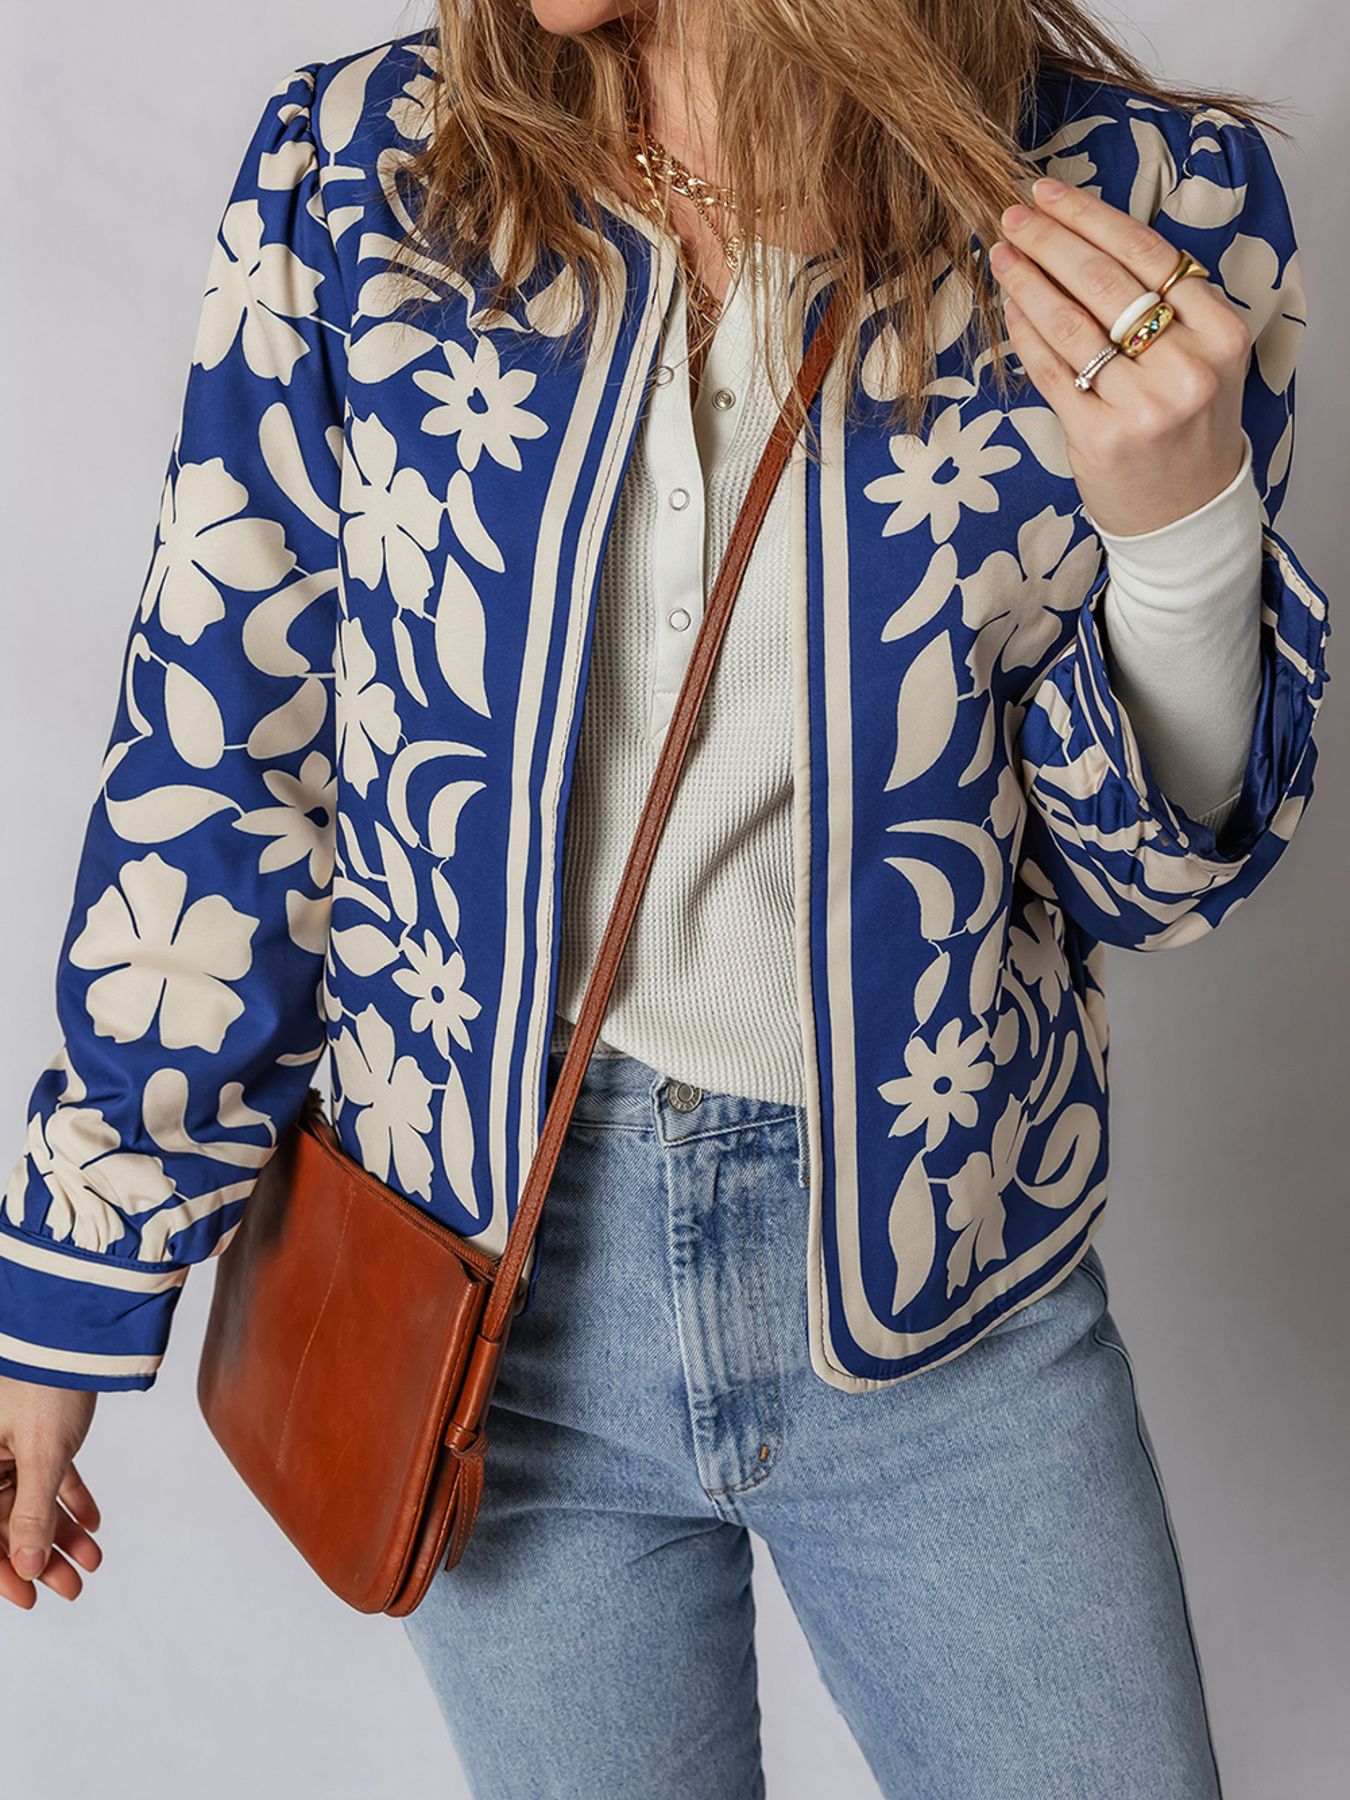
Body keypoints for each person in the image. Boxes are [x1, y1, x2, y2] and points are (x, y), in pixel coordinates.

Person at [0, 0, 1328, 1794]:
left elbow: (1144, 879)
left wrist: (1180, 533)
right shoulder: (361, 172)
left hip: (946, 1279)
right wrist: (67, 1281)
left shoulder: (1150, 206)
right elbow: (227, 750)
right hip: (482, 1298)